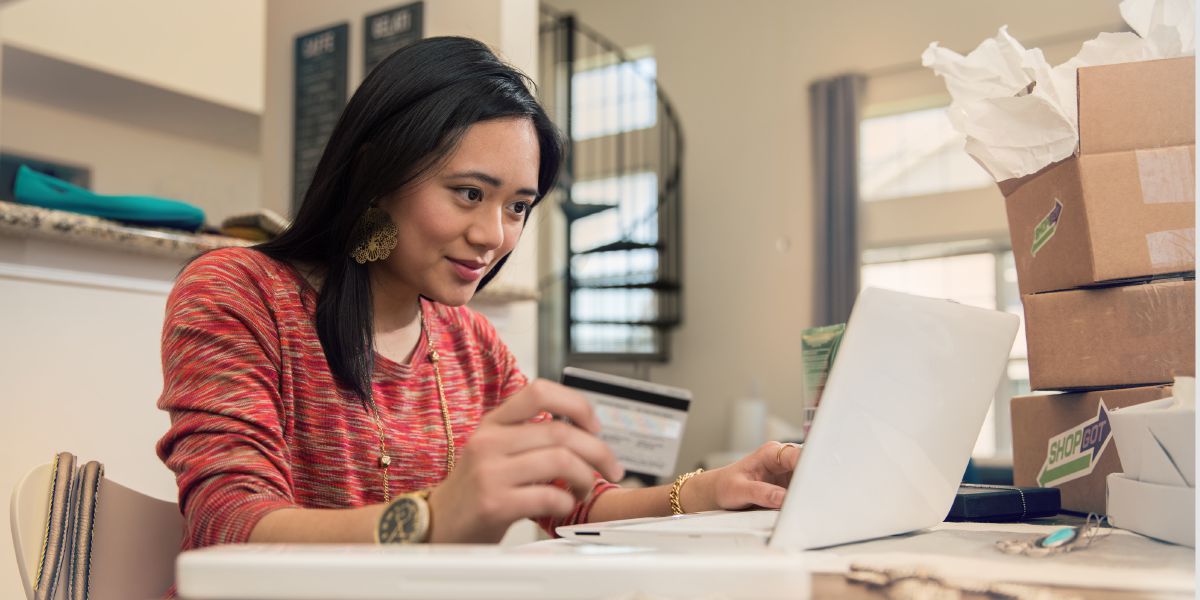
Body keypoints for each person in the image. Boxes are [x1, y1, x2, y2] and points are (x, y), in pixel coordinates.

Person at [156, 36, 801, 552]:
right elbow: (229, 528)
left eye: (518, 205)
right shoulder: (237, 294)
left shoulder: (470, 342)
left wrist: (710, 489)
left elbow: (575, 501)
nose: (495, 236)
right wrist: (434, 519)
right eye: (469, 193)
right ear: (378, 176)